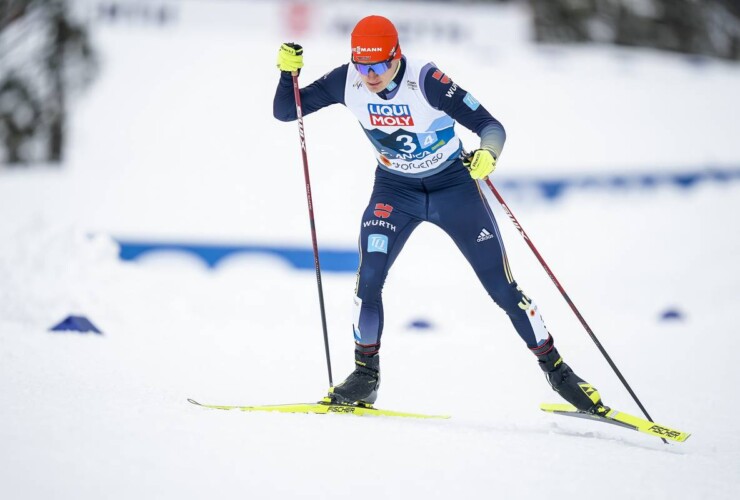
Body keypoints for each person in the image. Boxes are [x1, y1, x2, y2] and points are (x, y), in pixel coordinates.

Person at [273, 15, 604, 412]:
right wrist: (286, 76)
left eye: (378, 65)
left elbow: (490, 125)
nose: (371, 76)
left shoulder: (426, 80)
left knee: (501, 288)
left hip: (453, 189)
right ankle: (365, 376)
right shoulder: (348, 80)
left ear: (397, 56)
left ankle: (559, 373)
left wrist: (488, 154)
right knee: (368, 281)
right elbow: (285, 111)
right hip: (395, 191)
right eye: (363, 66)